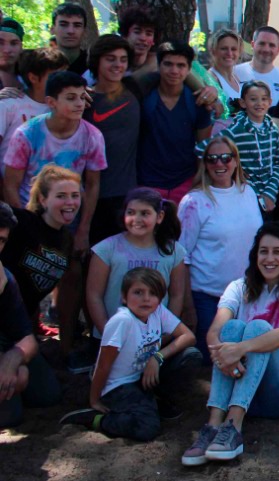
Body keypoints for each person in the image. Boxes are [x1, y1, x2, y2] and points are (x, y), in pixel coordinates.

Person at [181, 223, 279, 465]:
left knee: (259, 328)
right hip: (243, 385)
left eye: (277, 252)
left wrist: (240, 349)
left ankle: (233, 426)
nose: (269, 258)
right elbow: (214, 333)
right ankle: (213, 426)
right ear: (255, 255)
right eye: (264, 251)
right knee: (230, 328)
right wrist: (223, 359)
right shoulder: (238, 286)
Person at [60, 268, 199, 441]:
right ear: (124, 297)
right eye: (138, 292)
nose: (146, 298)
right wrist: (94, 399)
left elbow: (188, 336)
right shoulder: (122, 321)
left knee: (190, 356)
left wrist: (157, 357)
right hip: (118, 385)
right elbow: (103, 365)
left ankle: (159, 401)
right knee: (147, 428)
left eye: (153, 293)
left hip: (141, 377)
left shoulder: (158, 311)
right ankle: (97, 419)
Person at [178, 137, 266, 360]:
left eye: (226, 158)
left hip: (248, 296)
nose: (220, 164)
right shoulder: (193, 202)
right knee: (211, 364)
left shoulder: (248, 192)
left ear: (236, 161)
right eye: (212, 159)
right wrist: (187, 307)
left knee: (246, 361)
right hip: (208, 299)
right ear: (204, 164)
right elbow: (181, 257)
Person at [2, 70, 105, 252]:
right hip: (31, 215)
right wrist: (24, 225)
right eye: (71, 98)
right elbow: (10, 184)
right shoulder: (26, 133)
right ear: (51, 102)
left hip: (70, 216)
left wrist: (83, 230)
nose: (80, 104)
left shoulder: (93, 136)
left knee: (71, 271)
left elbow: (92, 184)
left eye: (82, 97)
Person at [85, 189, 187, 347]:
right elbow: (94, 295)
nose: (136, 219)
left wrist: (163, 338)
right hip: (113, 340)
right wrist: (108, 336)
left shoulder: (174, 251)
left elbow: (176, 295)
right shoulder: (106, 249)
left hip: (156, 341)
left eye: (145, 213)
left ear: (159, 217)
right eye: (131, 212)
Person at [0, 167, 83, 359]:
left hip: (19, 329)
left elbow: (35, 288)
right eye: (61, 196)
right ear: (43, 200)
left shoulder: (66, 240)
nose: (70, 202)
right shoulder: (22, 221)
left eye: (75, 195)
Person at [0, 201, 61, 428]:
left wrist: (13, 360)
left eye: (1, 241)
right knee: (9, 416)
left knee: (46, 394)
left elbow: (26, 337)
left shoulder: (4, 277)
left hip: (6, 342)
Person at [133, 41, 212, 204]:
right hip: (147, 182)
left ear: (189, 69)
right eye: (168, 64)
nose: (174, 70)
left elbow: (203, 148)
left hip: (185, 183)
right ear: (159, 65)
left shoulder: (198, 103)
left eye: (181, 65)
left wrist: (197, 184)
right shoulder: (143, 99)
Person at [84, 37, 141, 243]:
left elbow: (182, 67)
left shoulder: (135, 89)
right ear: (97, 61)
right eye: (111, 59)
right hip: (89, 197)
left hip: (127, 195)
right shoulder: (82, 100)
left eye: (123, 59)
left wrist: (211, 93)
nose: (118, 65)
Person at [214, 80, 279, 214]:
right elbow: (206, 149)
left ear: (270, 102)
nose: (259, 103)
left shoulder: (273, 129)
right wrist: (234, 174)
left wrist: (270, 192)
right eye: (253, 99)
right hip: (242, 197)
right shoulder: (235, 130)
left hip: (269, 198)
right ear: (242, 103)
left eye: (264, 99)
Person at [0, 46, 66, 161]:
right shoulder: (8, 105)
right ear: (33, 78)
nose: (63, 80)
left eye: (65, 74)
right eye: (56, 76)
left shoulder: (64, 108)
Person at [233, 26, 279, 98]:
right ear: (253, 45)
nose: (266, 49)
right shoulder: (234, 74)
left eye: (271, 45)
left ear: (278, 50)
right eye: (262, 44)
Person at [50, 2, 89, 75]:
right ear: (52, 29)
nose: (70, 31)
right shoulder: (41, 66)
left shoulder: (94, 66)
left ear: (84, 31)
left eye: (77, 25)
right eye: (63, 25)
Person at [207, 29, 243, 106]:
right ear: (213, 51)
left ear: (239, 52)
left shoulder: (236, 78)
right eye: (224, 48)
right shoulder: (210, 79)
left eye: (233, 49)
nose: (229, 53)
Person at [0, 17, 22, 90]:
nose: (7, 50)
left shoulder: (31, 78)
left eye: (14, 43)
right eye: (0, 43)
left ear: (21, 47)